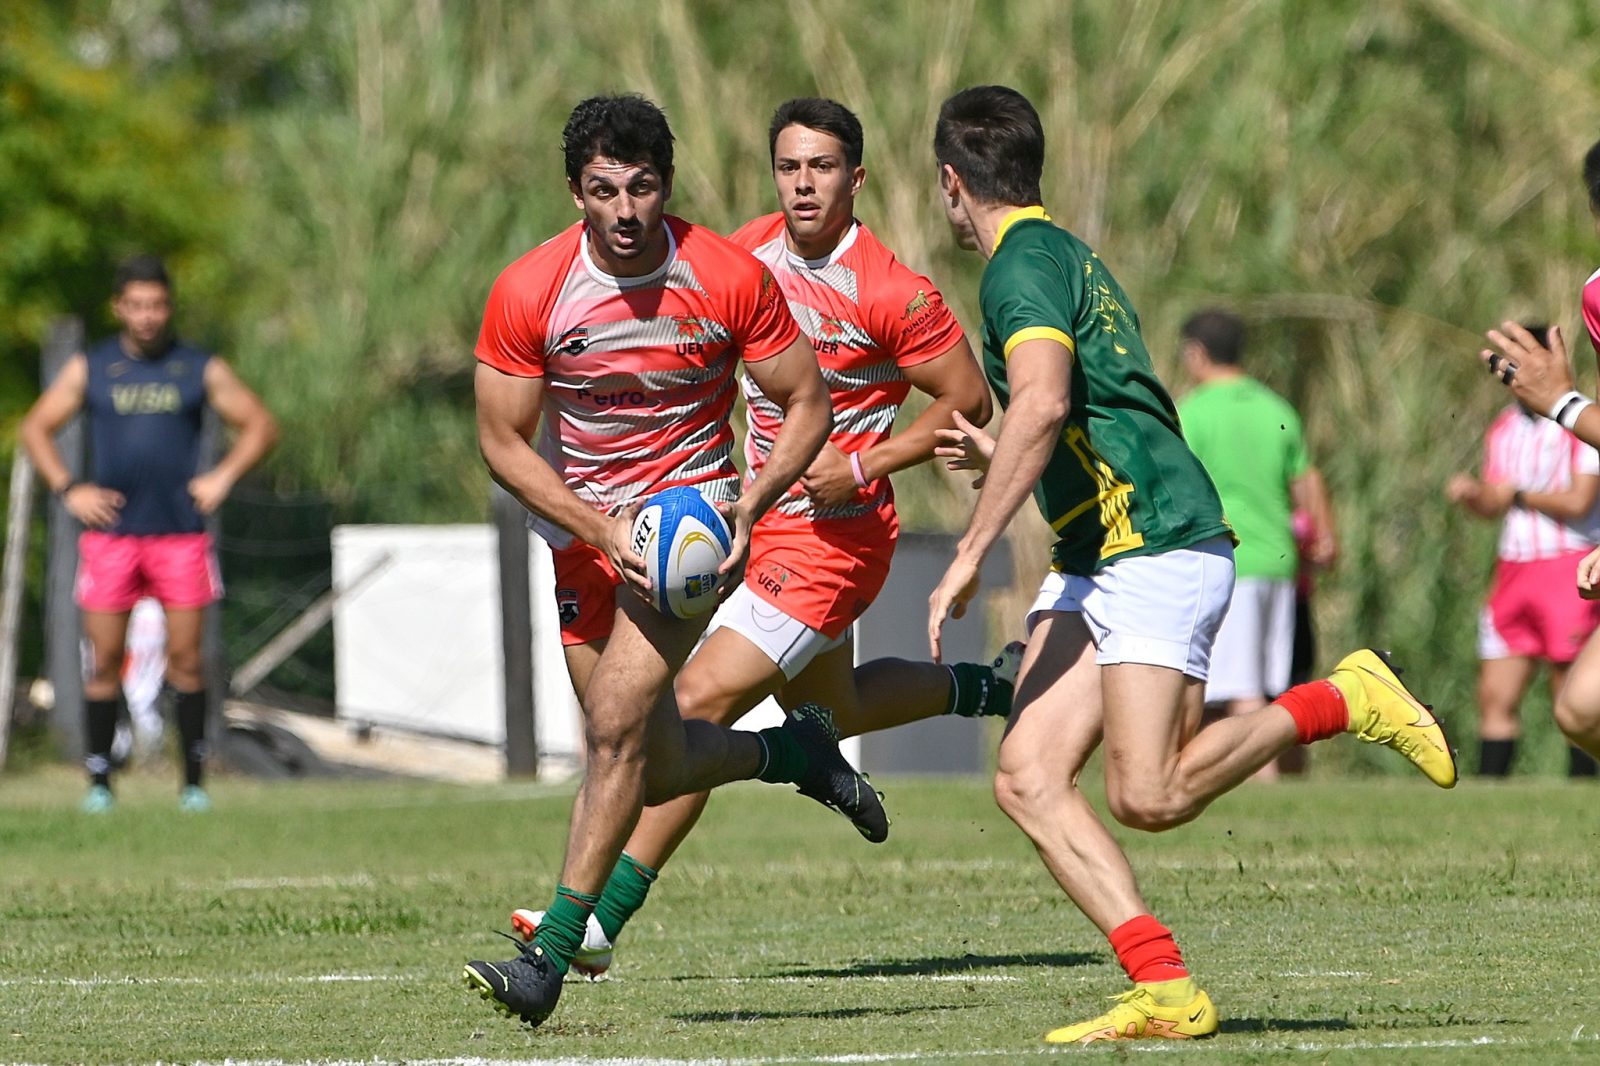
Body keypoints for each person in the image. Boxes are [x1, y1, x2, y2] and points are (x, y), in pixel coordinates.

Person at [924, 85, 1456, 1046]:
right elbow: (1067, 409)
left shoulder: (1018, 269)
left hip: (1155, 541)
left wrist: (970, 552)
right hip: (1104, 552)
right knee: (1029, 776)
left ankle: (1344, 698)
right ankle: (1164, 988)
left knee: (1149, 795)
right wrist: (992, 456)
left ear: (952, 184)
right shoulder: (1058, 251)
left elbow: (1043, 405)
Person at [507, 96, 1015, 970]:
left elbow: (970, 403)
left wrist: (863, 464)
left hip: (833, 539)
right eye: (789, 167)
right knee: (837, 708)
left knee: (692, 704)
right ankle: (993, 689)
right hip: (739, 520)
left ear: (856, 178)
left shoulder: (891, 289)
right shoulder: (738, 256)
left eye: (822, 168)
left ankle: (597, 921)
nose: (804, 184)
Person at [462, 93, 887, 1029]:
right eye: (604, 190)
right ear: (575, 191)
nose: (624, 210)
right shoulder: (531, 288)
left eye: (642, 188)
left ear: (667, 186)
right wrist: (597, 527)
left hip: (687, 536)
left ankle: (550, 959)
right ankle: (794, 752)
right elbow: (502, 442)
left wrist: (750, 505)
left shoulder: (725, 275)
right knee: (649, 767)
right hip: (582, 540)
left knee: (613, 727)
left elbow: (807, 405)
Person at [18, 254, 278, 813]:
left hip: (180, 536)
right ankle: (99, 783)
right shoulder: (94, 366)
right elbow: (36, 427)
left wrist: (223, 476)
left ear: (169, 305)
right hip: (112, 539)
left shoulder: (197, 366)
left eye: (156, 304)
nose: (147, 316)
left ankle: (192, 785)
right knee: (105, 662)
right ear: (120, 308)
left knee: (187, 661)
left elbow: (260, 423)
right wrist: (69, 488)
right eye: (136, 305)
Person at [1478, 136, 1600, 764]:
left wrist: (1564, 404)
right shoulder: (1598, 295)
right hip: (1518, 569)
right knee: (1580, 708)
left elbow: (1583, 488)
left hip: (1560, 560)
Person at [1177, 310, 1338, 779]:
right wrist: (1326, 538)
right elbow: (1307, 480)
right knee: (1275, 686)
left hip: (1231, 561)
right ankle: (1285, 783)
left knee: (1242, 691)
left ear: (1196, 353)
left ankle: (1263, 790)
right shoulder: (1276, 409)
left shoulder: (1193, 411)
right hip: (1280, 565)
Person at [1448, 324, 1600, 779]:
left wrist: (1517, 494)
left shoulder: (1582, 426)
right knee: (1495, 695)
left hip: (1567, 563)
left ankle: (1580, 787)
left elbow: (1578, 502)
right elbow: (1496, 499)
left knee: (1572, 697)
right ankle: (1489, 799)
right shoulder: (1503, 428)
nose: (1514, 376)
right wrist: (1474, 495)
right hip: (1513, 567)